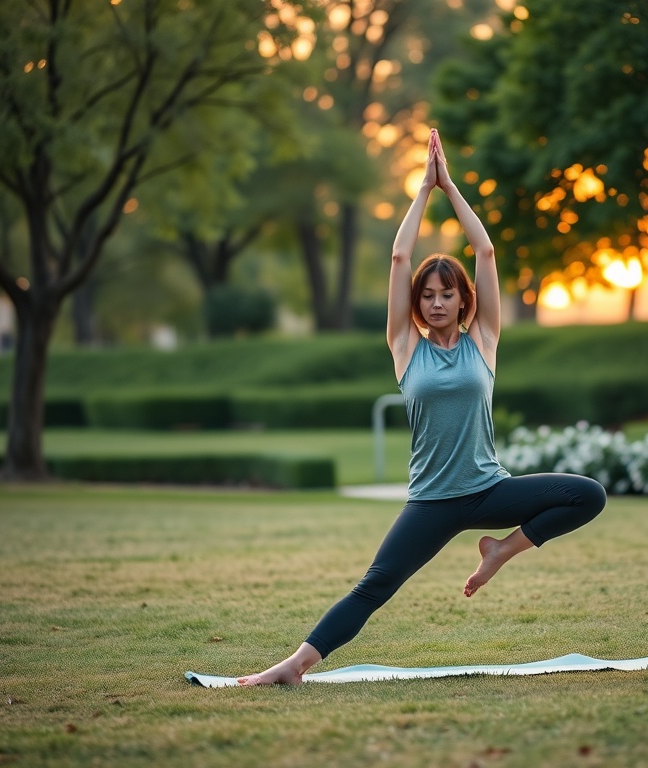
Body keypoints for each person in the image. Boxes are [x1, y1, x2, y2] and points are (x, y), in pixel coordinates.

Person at [238, 129, 606, 686]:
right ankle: (293, 666)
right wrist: (423, 191)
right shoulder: (404, 349)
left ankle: (500, 551)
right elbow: (398, 253)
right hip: (432, 500)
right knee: (373, 587)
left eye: (447, 294)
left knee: (587, 494)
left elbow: (484, 251)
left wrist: (451, 188)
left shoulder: (484, 341)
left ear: (463, 299)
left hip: (487, 488)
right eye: (427, 295)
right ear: (417, 303)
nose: (436, 303)